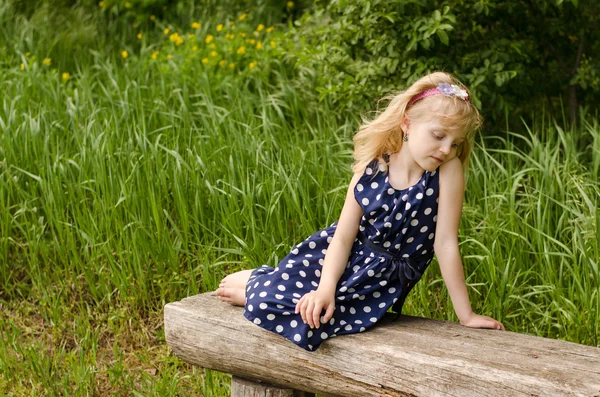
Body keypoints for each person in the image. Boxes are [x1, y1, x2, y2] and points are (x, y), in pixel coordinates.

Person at [216, 71, 505, 351]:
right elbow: (342, 239)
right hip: (338, 259)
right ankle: (261, 282)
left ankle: (259, 286)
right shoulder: (373, 169)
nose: (445, 149)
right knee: (312, 302)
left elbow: (445, 243)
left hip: (377, 281)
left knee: (317, 321)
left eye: (454, 143)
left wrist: (466, 316)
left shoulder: (446, 172)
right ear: (407, 123)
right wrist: (326, 288)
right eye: (438, 135)